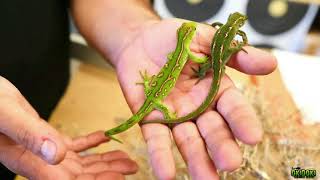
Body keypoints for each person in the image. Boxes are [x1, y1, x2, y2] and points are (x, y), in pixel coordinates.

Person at [0, 0, 277, 180]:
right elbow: (192, 61)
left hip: (49, 101)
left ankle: (110, 133)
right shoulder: (186, 55)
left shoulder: (182, 52)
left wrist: (135, 32)